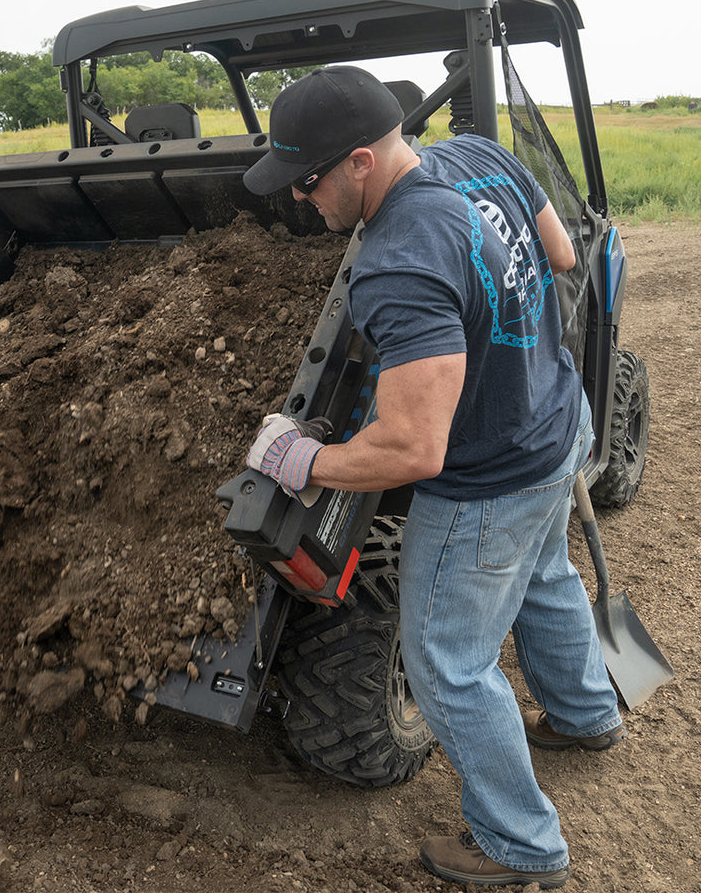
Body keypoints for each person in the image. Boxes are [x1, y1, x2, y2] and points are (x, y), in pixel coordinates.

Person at [243, 67, 624, 889]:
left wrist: (304, 459)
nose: (300, 202)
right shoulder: (480, 156)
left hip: (491, 480)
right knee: (544, 574)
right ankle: (588, 714)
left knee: (447, 659)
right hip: (558, 418)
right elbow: (559, 255)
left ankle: (522, 847)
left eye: (306, 183)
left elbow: (415, 451)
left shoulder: (395, 265)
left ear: (359, 163)